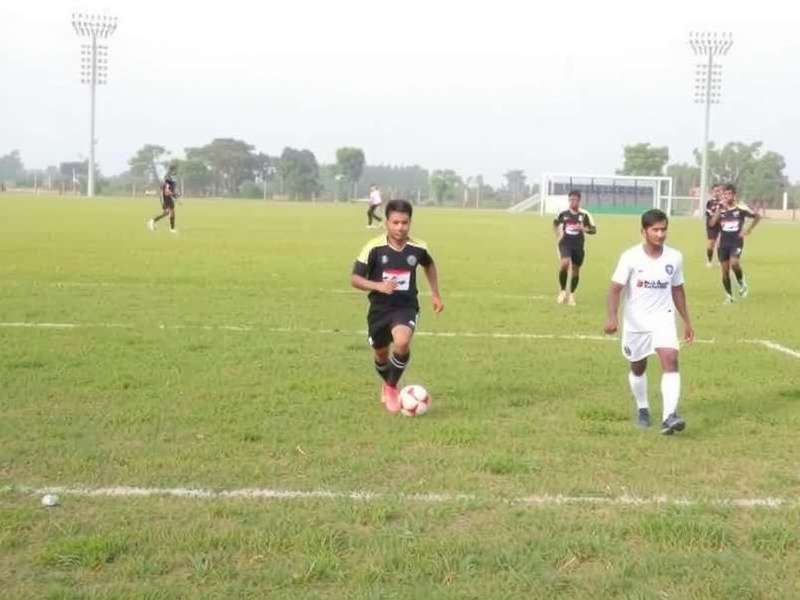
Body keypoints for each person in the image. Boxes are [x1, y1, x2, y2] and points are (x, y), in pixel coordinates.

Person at [604, 209, 694, 434]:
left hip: (663, 318)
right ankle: (643, 408)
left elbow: (677, 289)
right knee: (637, 367)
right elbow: (615, 289)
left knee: (671, 359)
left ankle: (669, 417)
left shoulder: (674, 257)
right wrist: (612, 317)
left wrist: (687, 321)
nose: (661, 234)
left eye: (664, 229)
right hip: (636, 322)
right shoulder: (630, 257)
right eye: (655, 229)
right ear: (643, 231)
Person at [351, 199, 444, 413]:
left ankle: (391, 387)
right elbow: (355, 279)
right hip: (379, 309)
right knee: (381, 354)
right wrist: (378, 286)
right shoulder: (373, 247)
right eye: (395, 222)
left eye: (404, 222)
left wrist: (436, 294)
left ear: (410, 222)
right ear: (386, 223)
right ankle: (387, 381)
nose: (400, 227)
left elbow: (429, 265)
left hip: (406, 307)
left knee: (401, 342)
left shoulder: (418, 248)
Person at [708, 183, 761, 304]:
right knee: (725, 271)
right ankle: (729, 296)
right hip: (723, 243)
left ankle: (742, 283)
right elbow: (711, 224)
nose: (727, 196)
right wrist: (718, 211)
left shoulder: (741, 208)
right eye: (725, 194)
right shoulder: (720, 208)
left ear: (734, 195)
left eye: (729, 194)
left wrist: (748, 230)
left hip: (736, 241)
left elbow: (757, 216)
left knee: (735, 263)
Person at [553, 190, 596, 305]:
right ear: (569, 200)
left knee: (576, 270)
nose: (573, 202)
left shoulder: (585, 214)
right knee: (565, 264)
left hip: (578, 245)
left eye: (575, 200)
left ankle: (571, 294)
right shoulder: (563, 213)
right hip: (565, 242)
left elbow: (593, 230)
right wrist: (558, 234)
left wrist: (583, 229)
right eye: (571, 199)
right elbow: (556, 223)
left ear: (579, 201)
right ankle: (562, 291)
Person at [148, 164, 179, 233]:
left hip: (168, 197)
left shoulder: (172, 178)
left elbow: (171, 189)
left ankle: (172, 229)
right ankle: (152, 221)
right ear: (171, 171)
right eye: (174, 171)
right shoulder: (168, 178)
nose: (175, 172)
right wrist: (174, 194)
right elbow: (166, 191)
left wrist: (175, 194)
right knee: (167, 212)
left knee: (170, 212)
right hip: (165, 197)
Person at [703, 184, 723, 267]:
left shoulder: (723, 202)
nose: (717, 193)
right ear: (712, 192)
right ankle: (709, 261)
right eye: (715, 191)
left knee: (720, 242)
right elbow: (709, 214)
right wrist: (715, 217)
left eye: (718, 191)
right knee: (711, 243)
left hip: (721, 224)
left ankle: (720, 261)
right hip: (711, 224)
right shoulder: (709, 202)